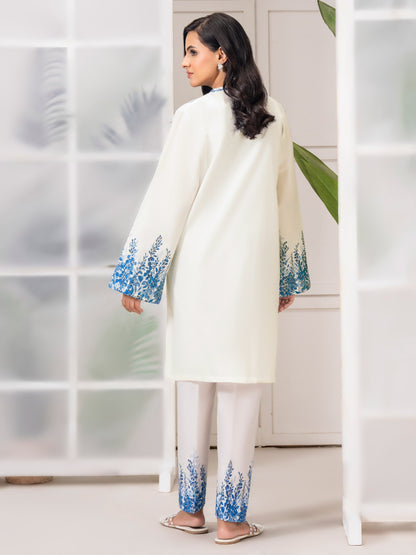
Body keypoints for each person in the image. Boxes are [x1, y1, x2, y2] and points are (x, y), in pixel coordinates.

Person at [108, 12, 311, 545]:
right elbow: (285, 198)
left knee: (196, 384)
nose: (184, 62)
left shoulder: (193, 118)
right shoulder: (275, 114)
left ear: (223, 54)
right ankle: (232, 519)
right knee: (243, 388)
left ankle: (190, 510)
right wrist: (286, 275)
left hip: (199, 272)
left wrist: (138, 275)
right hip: (251, 272)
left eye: (192, 51)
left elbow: (168, 197)